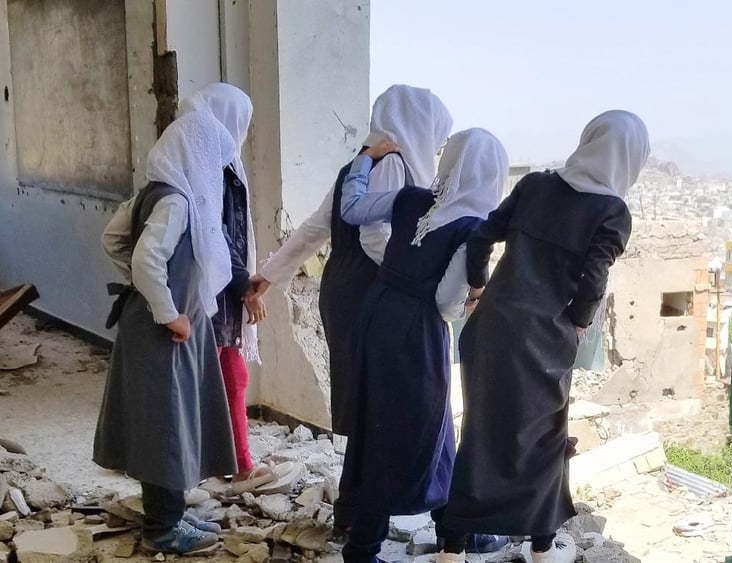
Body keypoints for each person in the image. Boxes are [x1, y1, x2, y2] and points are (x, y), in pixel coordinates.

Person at [439, 111, 650, 563]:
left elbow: (481, 237)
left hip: (491, 328)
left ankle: (451, 549)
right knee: (543, 439)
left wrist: (479, 288)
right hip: (545, 338)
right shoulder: (612, 212)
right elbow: (593, 279)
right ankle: (541, 546)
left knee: (480, 432)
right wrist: (577, 323)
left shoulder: (534, 185)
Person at [249, 84, 450, 526]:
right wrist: (409, 276)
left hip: (345, 289)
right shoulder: (394, 165)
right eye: (436, 133)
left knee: (367, 405)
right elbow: (374, 234)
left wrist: (270, 274)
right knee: (384, 404)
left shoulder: (358, 166)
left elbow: (315, 227)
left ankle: (358, 510)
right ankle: (366, 514)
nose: (436, 145)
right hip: (370, 293)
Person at [335, 129, 509, 563]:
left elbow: (352, 209)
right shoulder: (475, 229)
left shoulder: (411, 198)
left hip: (377, 315)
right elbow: (446, 303)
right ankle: (363, 550)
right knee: (408, 434)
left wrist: (365, 158)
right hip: (416, 333)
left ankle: (454, 531)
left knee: (409, 429)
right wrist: (472, 295)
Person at [94, 110, 241, 554]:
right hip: (166, 330)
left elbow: (113, 240)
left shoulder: (154, 191)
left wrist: (150, 295)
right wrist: (166, 308)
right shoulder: (176, 201)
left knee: (172, 424)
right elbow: (144, 260)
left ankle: (172, 513)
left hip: (167, 326)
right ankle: (163, 529)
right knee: (164, 430)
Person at [178, 83, 273, 493]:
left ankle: (235, 461)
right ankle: (200, 465)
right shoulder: (206, 168)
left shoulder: (223, 162)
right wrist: (243, 285)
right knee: (211, 376)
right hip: (208, 288)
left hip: (221, 287)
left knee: (230, 374)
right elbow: (213, 234)